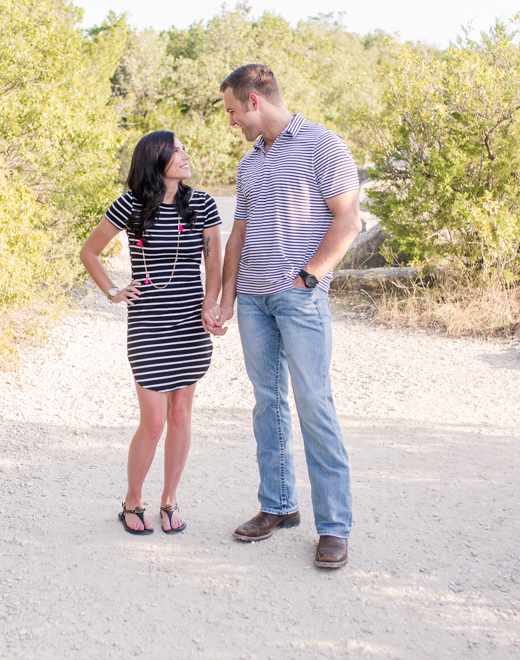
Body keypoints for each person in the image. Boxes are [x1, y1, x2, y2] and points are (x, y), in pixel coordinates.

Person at [203, 64, 362, 569]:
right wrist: (227, 298)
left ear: (254, 101)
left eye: (232, 111)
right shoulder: (249, 164)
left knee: (315, 405)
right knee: (267, 403)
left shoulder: (324, 145)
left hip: (299, 298)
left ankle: (334, 526)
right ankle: (278, 505)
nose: (231, 122)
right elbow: (238, 236)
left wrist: (309, 278)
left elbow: (349, 220)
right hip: (252, 301)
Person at [80, 131, 223, 535]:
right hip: (148, 323)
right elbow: (89, 252)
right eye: (175, 150)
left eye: (184, 149)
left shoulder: (202, 205)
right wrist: (113, 291)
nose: (185, 155)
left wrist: (210, 303)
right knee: (155, 420)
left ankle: (169, 499)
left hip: (189, 323)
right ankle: (133, 499)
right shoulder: (130, 205)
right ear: (155, 159)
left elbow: (214, 267)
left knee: (181, 414)